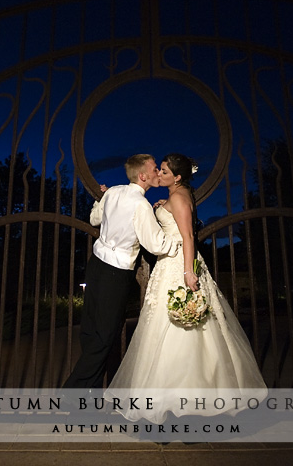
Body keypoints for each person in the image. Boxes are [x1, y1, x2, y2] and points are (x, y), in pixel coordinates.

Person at [104, 153, 267, 423]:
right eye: (161, 169)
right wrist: (163, 206)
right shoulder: (174, 196)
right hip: (167, 264)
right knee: (160, 328)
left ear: (177, 177)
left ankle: (186, 399)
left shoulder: (179, 197)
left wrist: (188, 271)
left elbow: (188, 235)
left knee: (184, 331)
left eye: (165, 171)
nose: (160, 174)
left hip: (178, 264)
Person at [63, 154, 180, 390]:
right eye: (155, 168)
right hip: (115, 275)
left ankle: (88, 399)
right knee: (105, 336)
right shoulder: (141, 205)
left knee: (90, 331)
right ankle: (73, 392)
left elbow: (95, 219)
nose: (158, 172)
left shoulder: (114, 192)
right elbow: (155, 244)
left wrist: (104, 199)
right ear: (143, 176)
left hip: (95, 265)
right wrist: (177, 244)